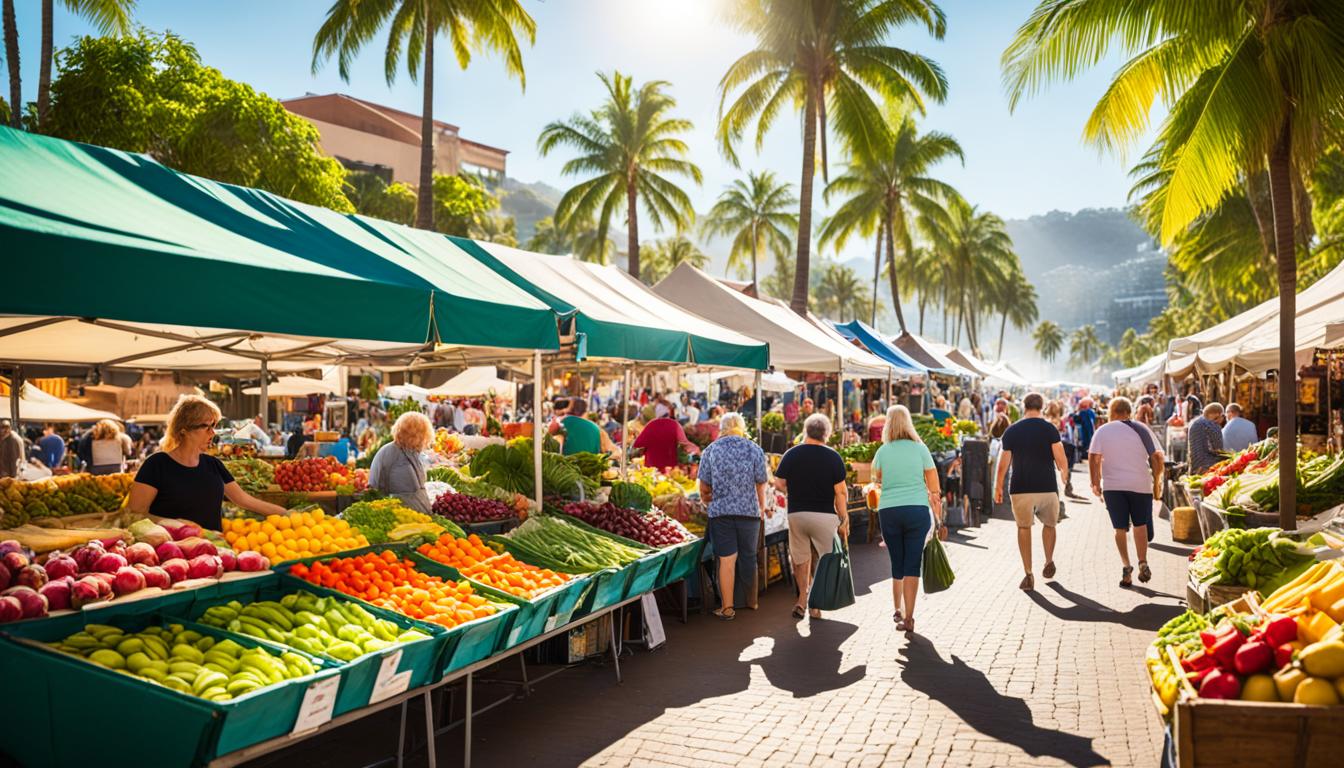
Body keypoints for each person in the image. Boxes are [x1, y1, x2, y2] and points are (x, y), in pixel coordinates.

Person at [127, 395, 287, 531]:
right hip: (171, 555)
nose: (212, 433)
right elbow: (135, 514)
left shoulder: (213, 464)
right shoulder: (156, 465)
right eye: (206, 426)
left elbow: (244, 500)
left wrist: (287, 514)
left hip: (212, 552)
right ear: (184, 429)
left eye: (214, 426)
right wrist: (175, 525)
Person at [871, 405, 943, 633]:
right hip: (917, 510)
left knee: (897, 563)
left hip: (889, 511)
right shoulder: (921, 449)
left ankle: (897, 609)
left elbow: (876, 480)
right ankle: (909, 616)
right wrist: (938, 517)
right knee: (913, 564)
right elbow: (934, 488)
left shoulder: (882, 451)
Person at [772, 414, 848, 621]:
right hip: (825, 516)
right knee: (825, 560)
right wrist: (844, 518)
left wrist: (793, 492)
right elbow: (840, 492)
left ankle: (802, 600)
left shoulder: (791, 454)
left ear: (805, 431)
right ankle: (816, 605)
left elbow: (778, 483)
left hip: (797, 514)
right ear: (827, 434)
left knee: (800, 559)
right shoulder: (833, 457)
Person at [697, 412, 769, 620]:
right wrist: (761, 507)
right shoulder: (754, 449)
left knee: (726, 561)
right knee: (749, 557)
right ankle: (752, 601)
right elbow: (761, 483)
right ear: (742, 427)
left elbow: (704, 488)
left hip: (721, 513)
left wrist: (710, 500)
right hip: (749, 513)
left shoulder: (711, 450)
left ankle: (728, 608)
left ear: (722, 428)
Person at [994, 393, 1069, 591]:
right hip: (1047, 487)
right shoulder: (1050, 429)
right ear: (1042, 407)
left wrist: (998, 487)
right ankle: (1049, 560)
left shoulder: (1012, 431)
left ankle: (1028, 573)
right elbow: (1060, 459)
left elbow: (1003, 465)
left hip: (1021, 487)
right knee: (1050, 525)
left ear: (1024, 406)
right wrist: (1064, 475)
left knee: (1024, 528)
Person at [1088, 397, 1164, 588]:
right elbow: (1157, 456)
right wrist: (1157, 483)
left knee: (1119, 528)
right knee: (1140, 524)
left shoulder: (1103, 430)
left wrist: (1095, 482)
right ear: (1129, 411)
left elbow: (1093, 457)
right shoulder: (1142, 429)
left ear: (1111, 412)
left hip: (1113, 486)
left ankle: (1126, 566)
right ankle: (1142, 561)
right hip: (1140, 484)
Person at [367, 411, 435, 515]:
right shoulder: (401, 460)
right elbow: (408, 498)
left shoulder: (403, 451)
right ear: (417, 436)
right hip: (395, 516)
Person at [632, 413, 699, 472]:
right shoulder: (676, 426)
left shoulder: (652, 424)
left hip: (651, 468)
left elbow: (637, 444)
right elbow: (685, 444)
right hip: (668, 469)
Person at [1187, 402, 1226, 475]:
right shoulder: (1213, 426)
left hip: (1194, 464)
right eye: (1223, 416)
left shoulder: (1195, 422)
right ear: (1218, 414)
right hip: (1208, 466)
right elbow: (1218, 450)